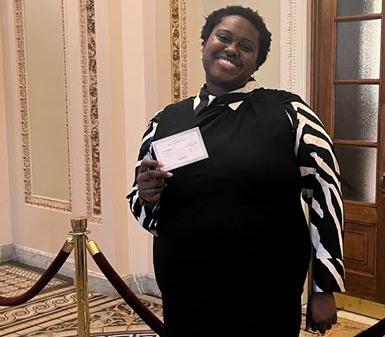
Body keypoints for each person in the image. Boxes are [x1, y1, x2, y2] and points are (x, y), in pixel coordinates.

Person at [126, 6, 344, 336]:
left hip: (265, 289)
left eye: (246, 46)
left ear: (257, 62)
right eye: (223, 37)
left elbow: (326, 195)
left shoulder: (289, 113)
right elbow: (142, 205)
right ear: (204, 43)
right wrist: (148, 196)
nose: (231, 49)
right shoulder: (165, 121)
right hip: (186, 286)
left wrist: (323, 286)